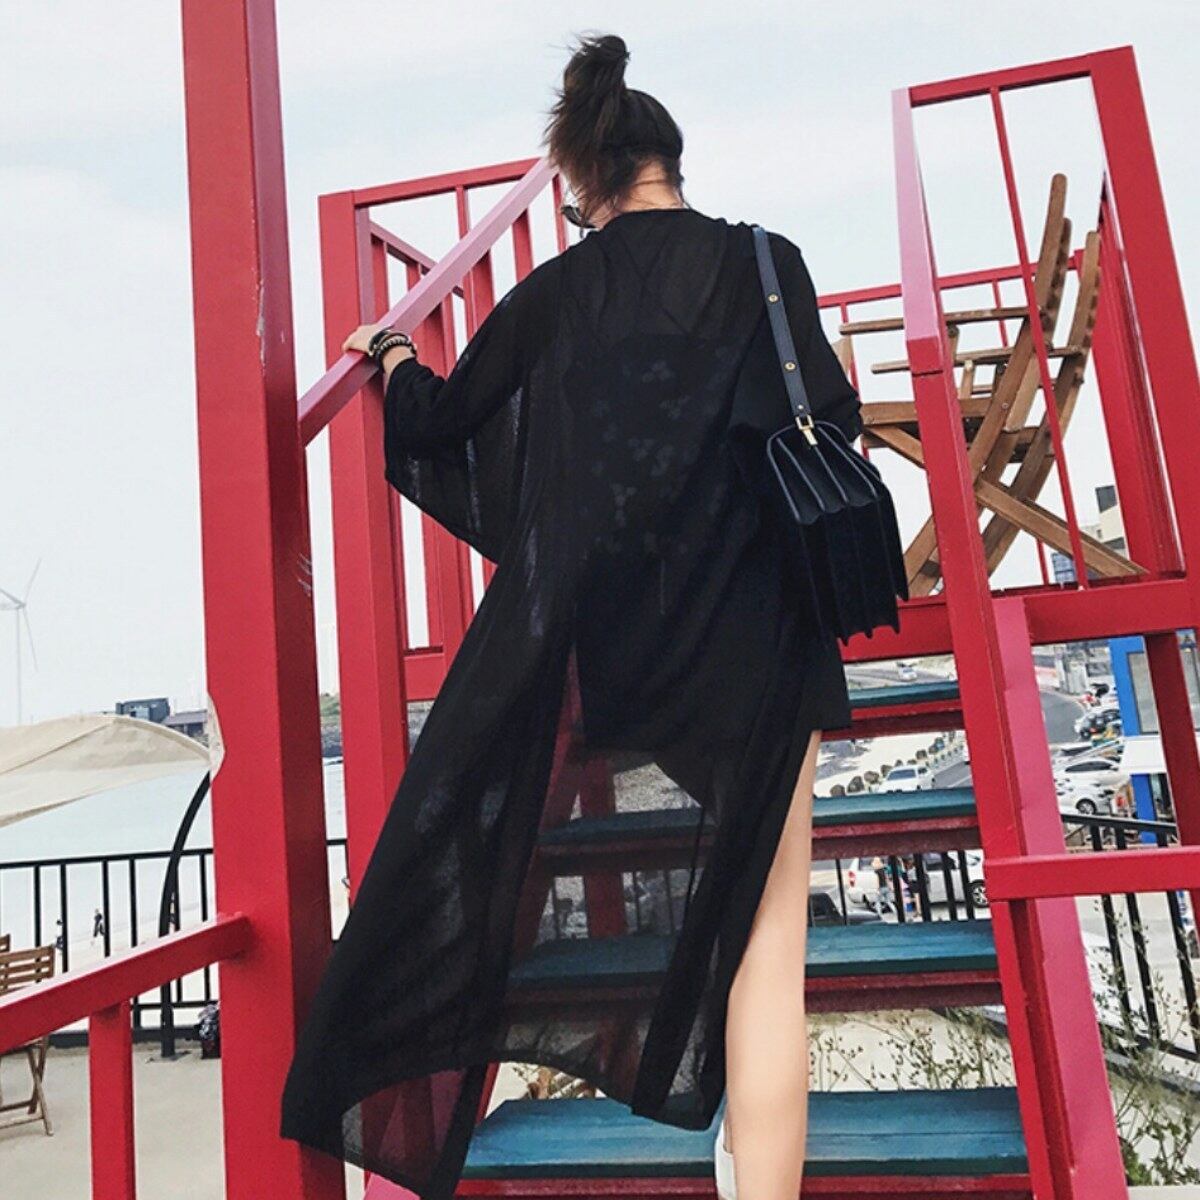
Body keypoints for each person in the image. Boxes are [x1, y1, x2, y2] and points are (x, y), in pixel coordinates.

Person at [279, 32, 864, 1200]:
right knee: (767, 961)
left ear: (586, 181)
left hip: (630, 659)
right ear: (671, 163)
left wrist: (393, 358)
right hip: (766, 649)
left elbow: (448, 432)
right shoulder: (767, 262)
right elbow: (832, 424)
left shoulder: (557, 295)